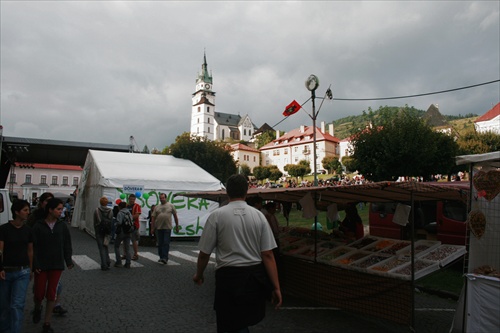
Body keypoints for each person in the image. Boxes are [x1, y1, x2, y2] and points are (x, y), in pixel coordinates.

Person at [193, 174, 282, 333]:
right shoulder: (259, 216)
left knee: (229, 323)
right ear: (246, 192)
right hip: (254, 276)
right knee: (242, 322)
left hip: (228, 276)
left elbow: (204, 253)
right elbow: (268, 254)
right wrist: (276, 287)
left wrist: (199, 274)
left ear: (227, 192)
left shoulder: (217, 216)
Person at [31, 198, 74, 333]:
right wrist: (34, 263)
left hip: (56, 263)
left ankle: (47, 322)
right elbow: (34, 247)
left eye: (61, 209)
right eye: (58, 209)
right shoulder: (38, 226)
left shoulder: (62, 226)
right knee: (39, 293)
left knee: (51, 294)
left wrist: (68, 260)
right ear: (50, 210)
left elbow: (67, 244)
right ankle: (38, 308)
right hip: (41, 264)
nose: (61, 212)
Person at [0, 200, 34, 333]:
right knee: (4, 306)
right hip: (6, 272)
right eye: (25, 210)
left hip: (22, 271)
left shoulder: (28, 231)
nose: (28, 213)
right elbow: (0, 250)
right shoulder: (4, 229)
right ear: (16, 212)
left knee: (17, 305)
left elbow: (30, 251)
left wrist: (30, 268)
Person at [151, 193, 179, 265]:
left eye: (163, 198)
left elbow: (175, 216)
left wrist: (177, 226)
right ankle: (161, 256)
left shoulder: (171, 205)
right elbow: (153, 218)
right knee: (160, 243)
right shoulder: (157, 207)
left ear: (166, 198)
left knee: (166, 242)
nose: (162, 199)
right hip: (158, 227)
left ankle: (165, 258)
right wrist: (152, 228)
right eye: (160, 198)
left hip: (167, 227)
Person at [93, 196, 113, 271]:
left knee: (101, 248)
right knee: (106, 246)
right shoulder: (110, 211)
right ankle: (108, 262)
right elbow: (111, 221)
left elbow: (96, 221)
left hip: (99, 231)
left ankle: (104, 264)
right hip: (107, 231)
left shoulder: (97, 210)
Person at [114, 201, 133, 268]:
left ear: (119, 207)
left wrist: (115, 224)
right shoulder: (129, 212)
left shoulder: (120, 213)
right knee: (127, 247)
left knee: (116, 246)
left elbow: (119, 222)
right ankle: (128, 262)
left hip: (122, 232)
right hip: (128, 231)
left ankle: (118, 262)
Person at [127, 194, 141, 261]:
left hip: (134, 225)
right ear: (128, 199)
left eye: (133, 199)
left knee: (134, 240)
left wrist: (128, 218)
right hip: (126, 226)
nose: (132, 200)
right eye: (131, 199)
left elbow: (137, 215)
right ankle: (125, 254)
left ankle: (135, 254)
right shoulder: (126, 206)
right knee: (125, 240)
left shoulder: (137, 206)